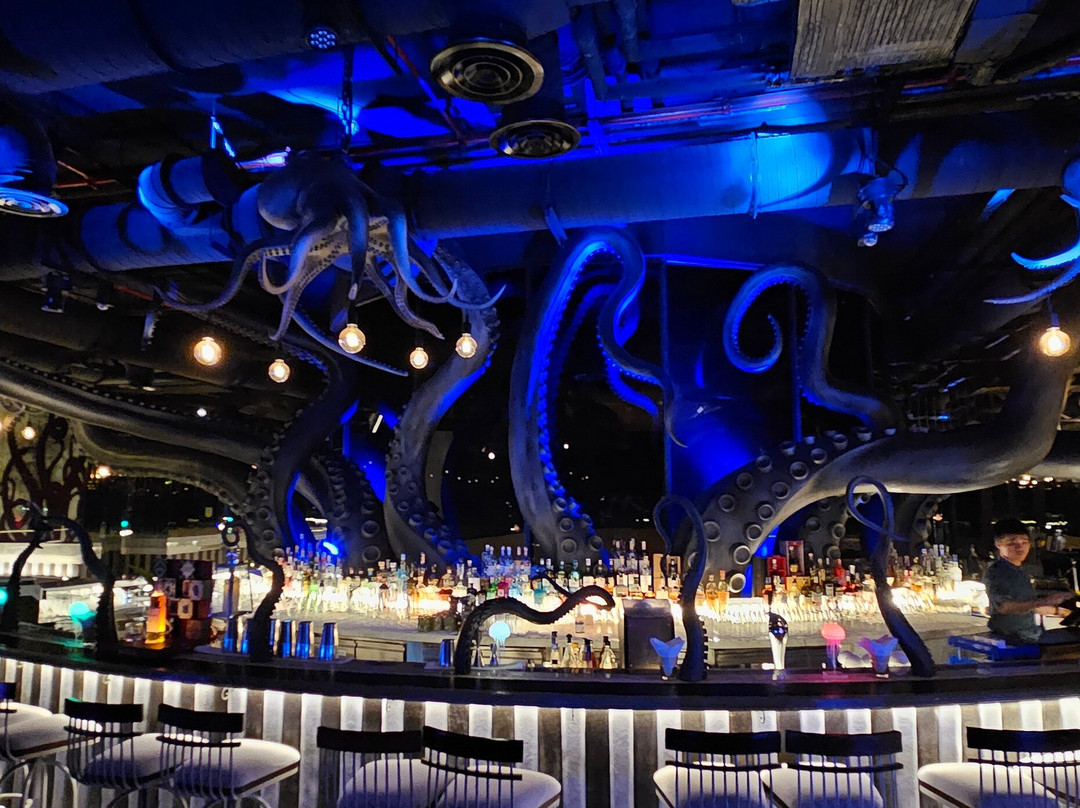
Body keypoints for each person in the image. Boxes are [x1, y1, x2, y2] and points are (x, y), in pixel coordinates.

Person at [984, 518, 1075, 645]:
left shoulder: (1021, 572)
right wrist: (1047, 601)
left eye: (1024, 542)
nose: (1020, 547)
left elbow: (1028, 606)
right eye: (1012, 543)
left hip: (1030, 634)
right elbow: (1003, 606)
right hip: (1015, 638)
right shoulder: (998, 572)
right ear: (998, 544)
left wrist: (1059, 611)